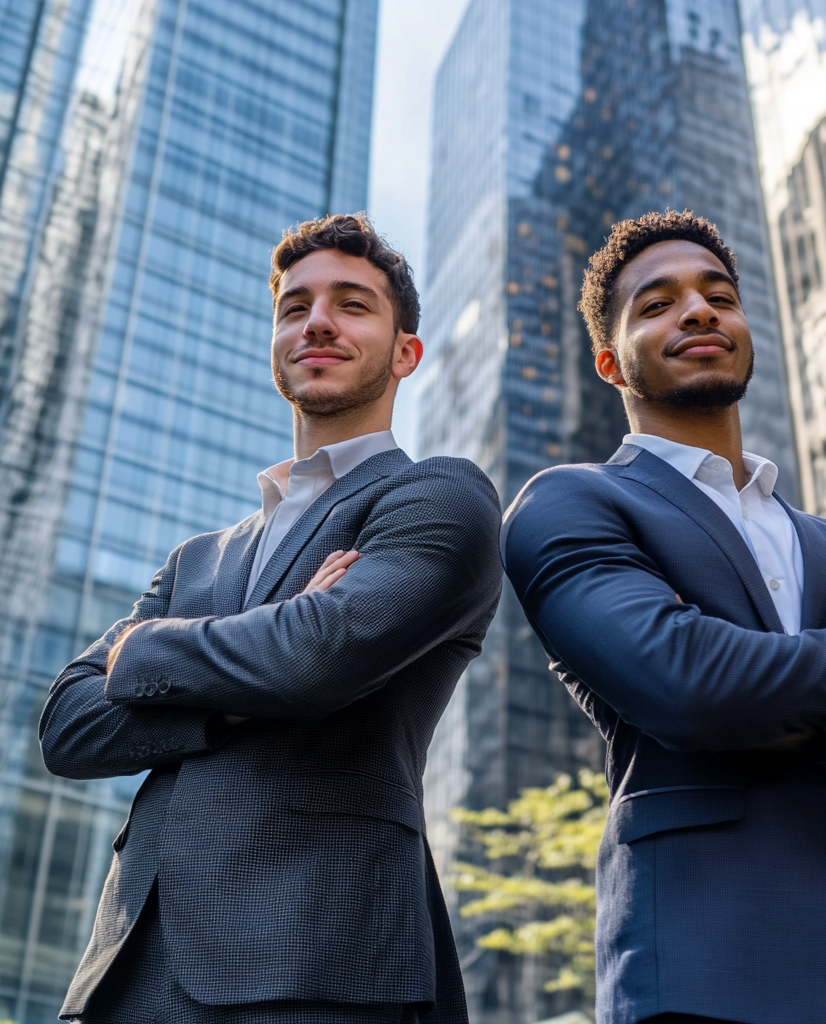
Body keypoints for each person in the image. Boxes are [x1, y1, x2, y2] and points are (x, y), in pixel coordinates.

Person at [501, 209, 826, 1024]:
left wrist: (776, 706)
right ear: (610, 362)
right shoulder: (571, 503)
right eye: (657, 303)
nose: (699, 311)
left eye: (719, 295)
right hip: (714, 981)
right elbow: (684, 685)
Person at [41, 213, 503, 1024]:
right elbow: (70, 727)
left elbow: (315, 656)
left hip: (318, 957)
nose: (316, 320)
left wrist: (145, 648)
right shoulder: (199, 558)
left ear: (406, 353)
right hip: (127, 965)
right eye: (295, 307)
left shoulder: (441, 494)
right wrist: (250, 671)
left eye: (352, 304)